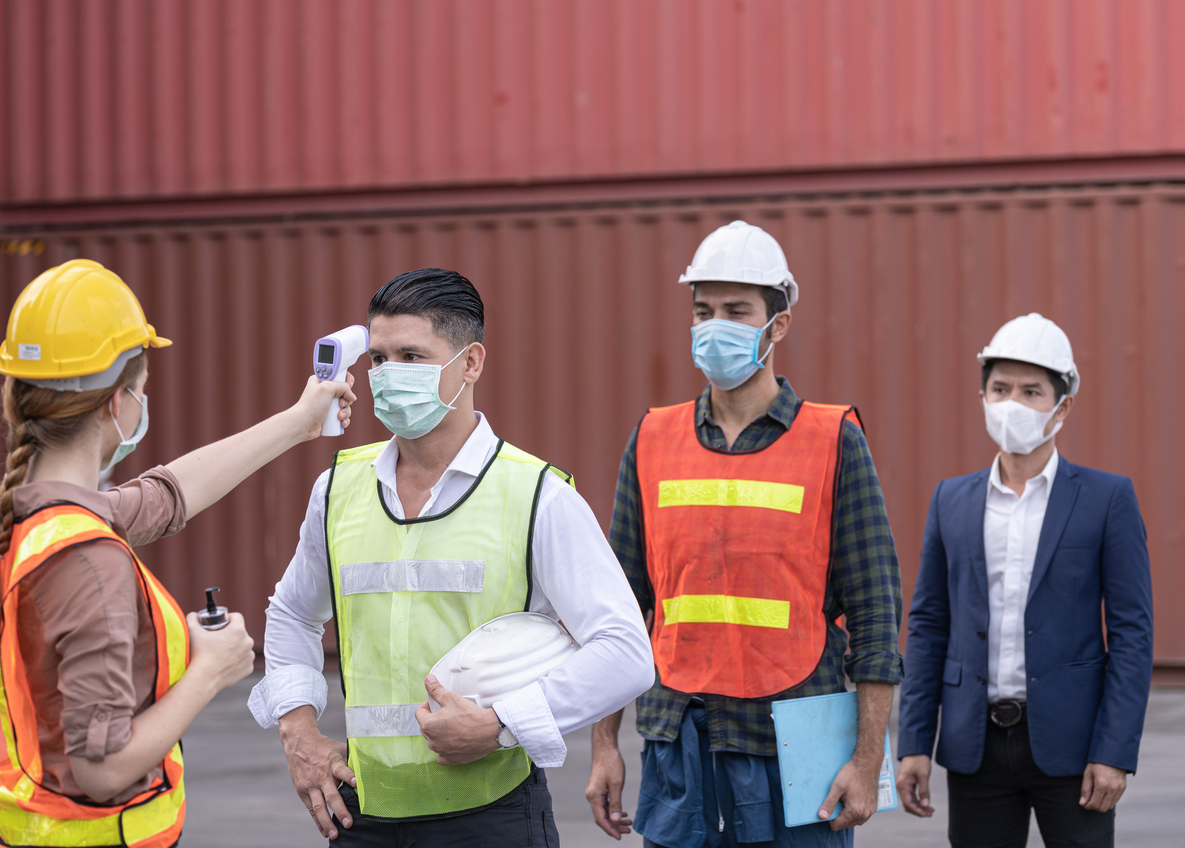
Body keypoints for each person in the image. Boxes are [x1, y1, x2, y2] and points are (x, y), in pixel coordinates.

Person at [248, 268, 654, 845]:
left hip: (491, 817)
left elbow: (626, 653)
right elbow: (291, 614)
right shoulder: (337, 490)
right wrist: (298, 731)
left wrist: (500, 726)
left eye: (413, 356)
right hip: (361, 816)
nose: (390, 377)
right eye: (380, 359)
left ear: (471, 363)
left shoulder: (537, 494)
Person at [0, 259, 355, 848]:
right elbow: (102, 767)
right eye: (142, 392)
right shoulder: (88, 562)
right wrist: (208, 671)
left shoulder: (23, 520)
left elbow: (168, 496)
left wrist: (298, 423)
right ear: (118, 404)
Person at [586, 220, 905, 847]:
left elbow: (875, 614)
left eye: (736, 310)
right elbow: (616, 609)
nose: (714, 325)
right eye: (703, 310)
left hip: (799, 743)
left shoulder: (834, 440)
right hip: (681, 737)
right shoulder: (652, 440)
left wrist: (868, 764)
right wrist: (605, 748)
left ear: (777, 323)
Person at [896, 313, 1153, 848]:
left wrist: (1114, 752)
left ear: (1063, 407)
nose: (1012, 403)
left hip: (1074, 749)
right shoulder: (951, 500)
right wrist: (914, 741)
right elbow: (928, 625)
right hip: (976, 748)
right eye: (1001, 388)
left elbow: (1132, 635)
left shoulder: (1107, 499)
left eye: (1032, 391)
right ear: (983, 396)